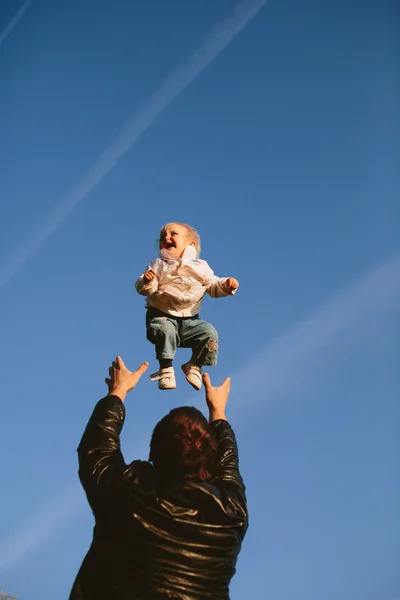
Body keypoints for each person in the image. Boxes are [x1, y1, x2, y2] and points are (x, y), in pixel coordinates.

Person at [69, 356, 248, 600]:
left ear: (153, 450)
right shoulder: (231, 515)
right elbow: (229, 467)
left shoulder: (127, 492)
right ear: (210, 459)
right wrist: (218, 411)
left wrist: (118, 390)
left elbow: (97, 449)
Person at [135, 222, 239, 390]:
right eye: (162, 238)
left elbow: (213, 286)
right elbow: (147, 288)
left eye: (172, 234)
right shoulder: (159, 264)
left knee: (209, 332)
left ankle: (195, 365)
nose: (166, 238)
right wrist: (146, 281)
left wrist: (226, 285)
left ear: (191, 245)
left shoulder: (201, 268)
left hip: (189, 321)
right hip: (161, 315)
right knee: (165, 329)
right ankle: (166, 368)